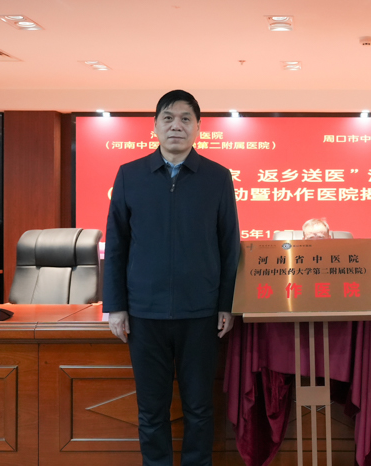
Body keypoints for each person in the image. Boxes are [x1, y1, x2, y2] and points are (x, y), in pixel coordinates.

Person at [104, 89, 240, 465]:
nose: (175, 125)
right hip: (144, 314)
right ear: (155, 126)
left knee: (199, 408)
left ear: (198, 127)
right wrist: (116, 306)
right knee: (151, 411)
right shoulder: (130, 175)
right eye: (167, 118)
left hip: (201, 314)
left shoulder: (217, 177)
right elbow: (117, 245)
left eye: (185, 118)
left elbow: (230, 246)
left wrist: (227, 304)